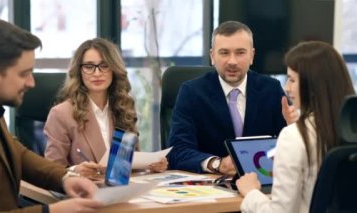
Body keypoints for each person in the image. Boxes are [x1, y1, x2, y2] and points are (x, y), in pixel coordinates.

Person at [0, 18, 103, 212]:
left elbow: (17, 152)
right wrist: (50, 211)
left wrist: (65, 178)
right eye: (23, 73)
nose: (31, 83)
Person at [236, 41, 355, 212]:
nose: (287, 88)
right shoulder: (346, 131)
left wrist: (251, 193)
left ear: (313, 85)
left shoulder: (294, 136)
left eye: (292, 80)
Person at [167, 20, 296, 174]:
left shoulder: (272, 89)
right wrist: (217, 164)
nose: (232, 61)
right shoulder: (191, 93)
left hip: (260, 181)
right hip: (211, 187)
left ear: (252, 56)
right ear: (212, 56)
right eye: (224, 53)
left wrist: (293, 127)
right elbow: (178, 151)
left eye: (240, 52)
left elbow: (288, 145)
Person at [43, 38, 167, 177]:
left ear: (114, 69)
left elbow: (126, 168)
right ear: (79, 71)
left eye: (104, 65)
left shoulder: (123, 107)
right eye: (89, 67)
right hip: (85, 192)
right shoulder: (61, 114)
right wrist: (75, 171)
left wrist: (151, 167)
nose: (97, 73)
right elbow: (51, 172)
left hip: (122, 192)